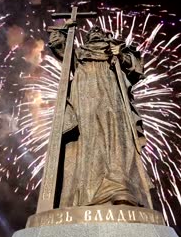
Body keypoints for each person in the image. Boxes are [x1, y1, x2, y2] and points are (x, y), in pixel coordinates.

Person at [48, 20, 153, 208]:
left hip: (112, 96)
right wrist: (64, 27)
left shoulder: (116, 51)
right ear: (86, 39)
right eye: (92, 32)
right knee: (88, 142)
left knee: (117, 140)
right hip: (84, 99)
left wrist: (120, 54)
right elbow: (58, 45)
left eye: (99, 31)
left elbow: (135, 66)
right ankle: (84, 194)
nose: (95, 32)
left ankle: (119, 186)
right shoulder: (79, 53)